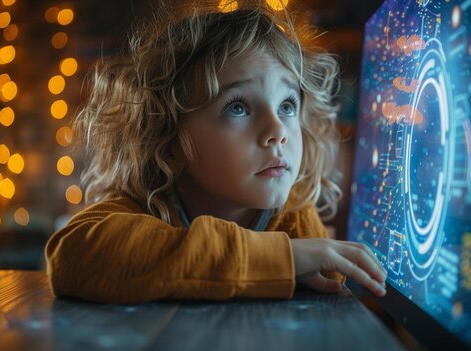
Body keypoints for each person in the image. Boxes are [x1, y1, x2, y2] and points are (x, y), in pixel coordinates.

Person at [45, 0, 387, 304]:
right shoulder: (144, 207)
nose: (277, 132)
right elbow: (70, 257)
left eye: (287, 105)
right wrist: (281, 259)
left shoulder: (293, 218)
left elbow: (324, 287)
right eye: (238, 107)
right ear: (169, 141)